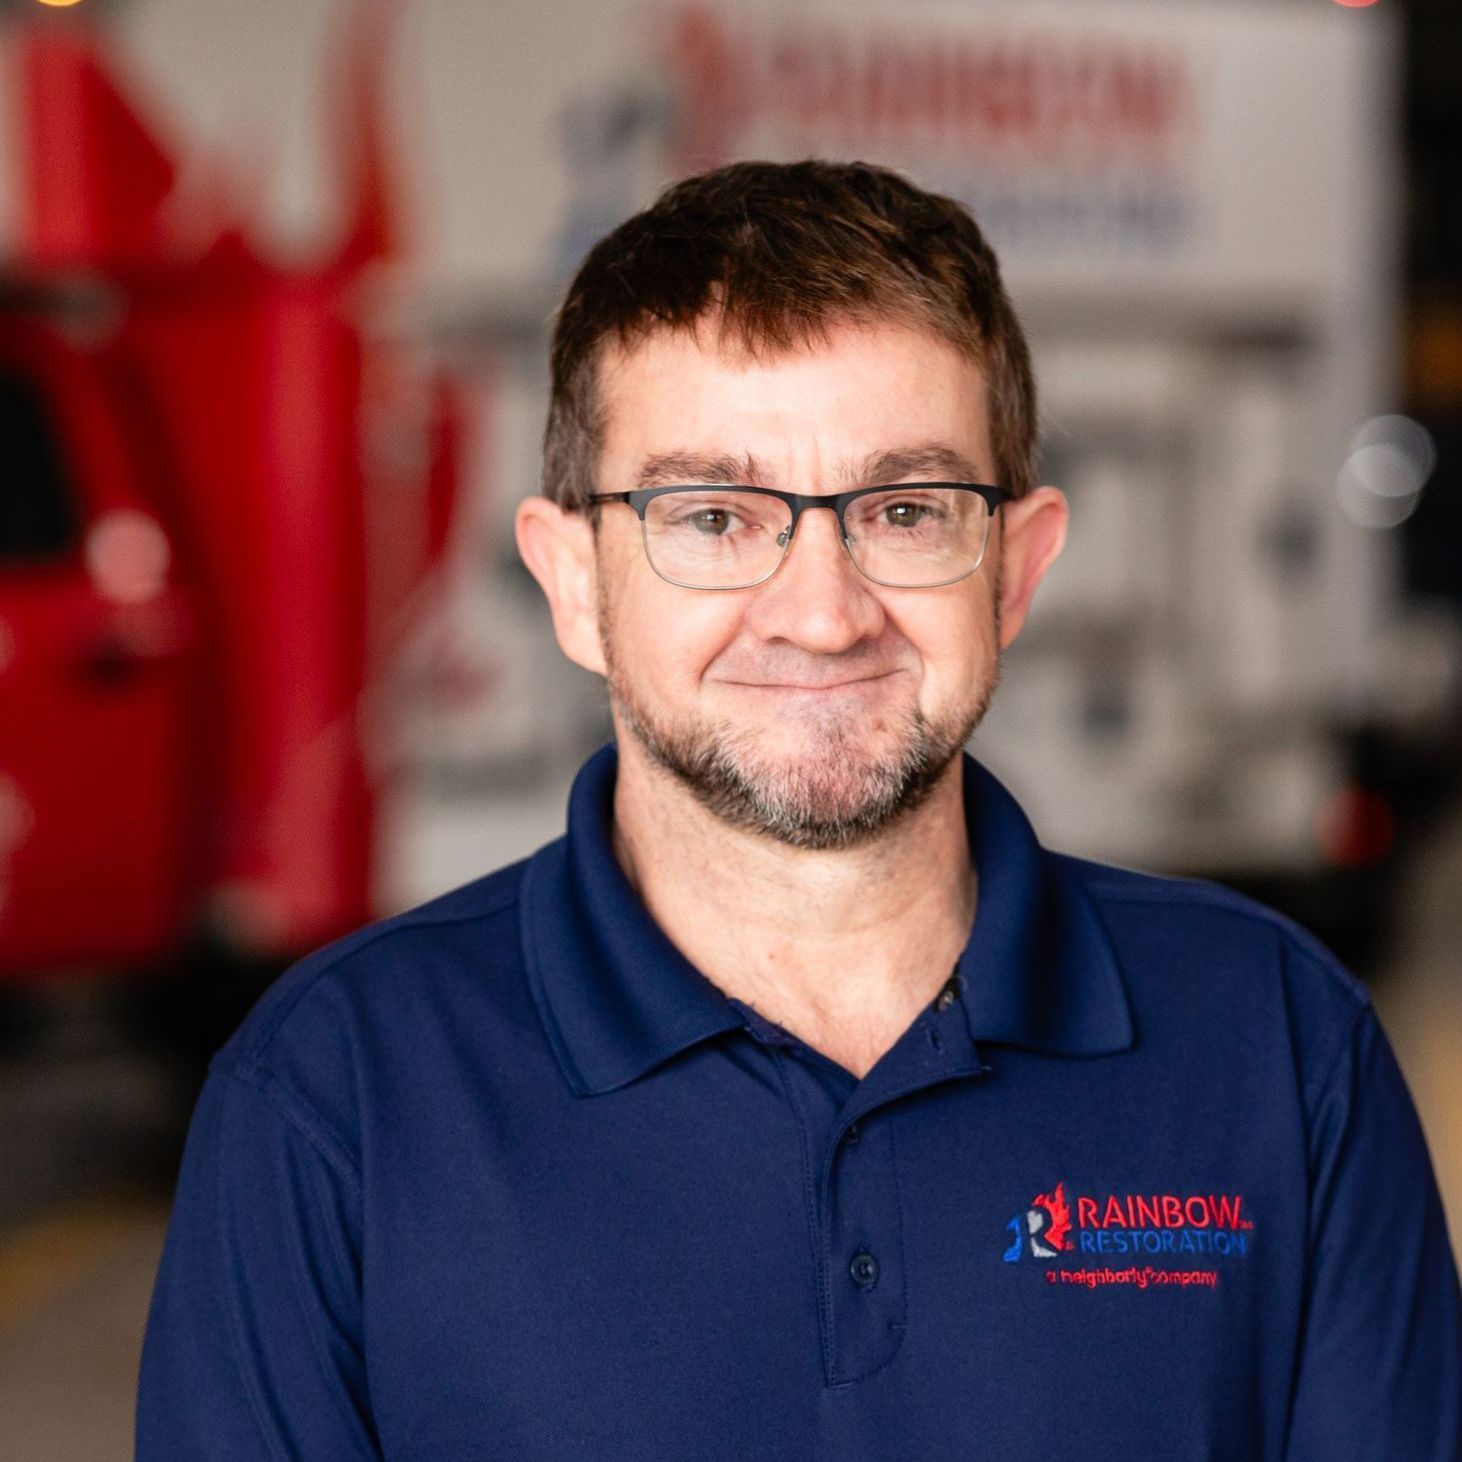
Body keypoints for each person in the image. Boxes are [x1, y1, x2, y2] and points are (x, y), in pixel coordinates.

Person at [136, 160, 1462, 1460]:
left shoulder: (1276, 1050)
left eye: (902, 508)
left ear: (1016, 566)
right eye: (713, 515)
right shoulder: (333, 1097)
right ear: (573, 580)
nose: (822, 612)